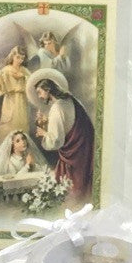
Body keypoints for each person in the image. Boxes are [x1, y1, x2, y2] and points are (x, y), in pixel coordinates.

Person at [28, 68, 94, 202]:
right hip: (86, 148)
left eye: (40, 92)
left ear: (47, 90)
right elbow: (68, 123)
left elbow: (56, 141)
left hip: (74, 155)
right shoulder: (71, 100)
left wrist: (43, 133)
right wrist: (48, 122)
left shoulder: (57, 107)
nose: (39, 96)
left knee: (71, 193)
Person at [0, 46, 31, 141]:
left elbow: (32, 81)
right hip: (10, 100)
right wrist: (1, 92)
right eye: (18, 57)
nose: (20, 60)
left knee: (21, 123)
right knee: (9, 123)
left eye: (22, 58)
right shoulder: (6, 70)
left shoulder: (24, 70)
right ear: (12, 56)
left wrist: (23, 76)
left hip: (22, 100)